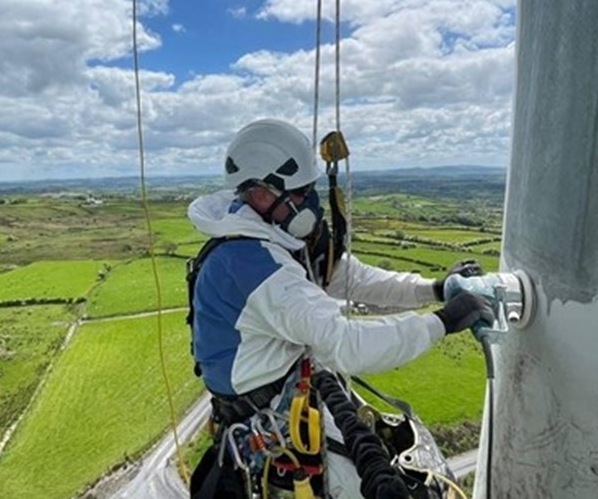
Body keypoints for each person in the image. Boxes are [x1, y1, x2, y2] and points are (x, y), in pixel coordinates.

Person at [187, 118, 494, 498]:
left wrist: (432, 289)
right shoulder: (252, 266)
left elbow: (349, 277)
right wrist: (442, 322)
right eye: (300, 192)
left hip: (293, 388)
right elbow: (346, 344)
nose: (309, 202)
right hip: (274, 423)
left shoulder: (271, 233)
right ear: (262, 195)